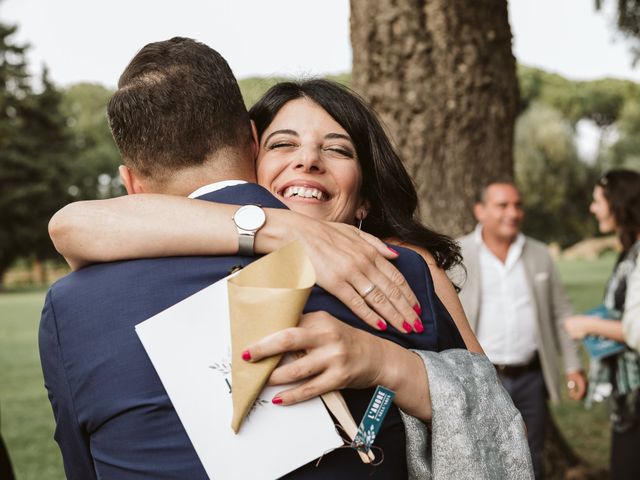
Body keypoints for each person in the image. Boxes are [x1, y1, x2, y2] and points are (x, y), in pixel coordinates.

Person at [42, 38, 532, 478]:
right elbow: (70, 225)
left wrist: (387, 364)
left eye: (337, 149)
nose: (307, 160)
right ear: (253, 150)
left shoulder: (399, 273)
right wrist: (276, 224)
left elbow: (492, 423)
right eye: (283, 143)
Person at [453, 181, 586, 479]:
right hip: (480, 379)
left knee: (529, 458)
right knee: (480, 459)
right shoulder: (458, 253)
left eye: (517, 205)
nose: (513, 213)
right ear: (480, 211)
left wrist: (574, 367)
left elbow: (560, 313)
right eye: (502, 205)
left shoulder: (539, 254)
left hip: (530, 380)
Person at [564, 169, 640, 480]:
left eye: (598, 201)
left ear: (618, 203)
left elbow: (637, 331)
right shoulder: (629, 252)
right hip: (628, 398)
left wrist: (588, 325)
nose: (593, 209)